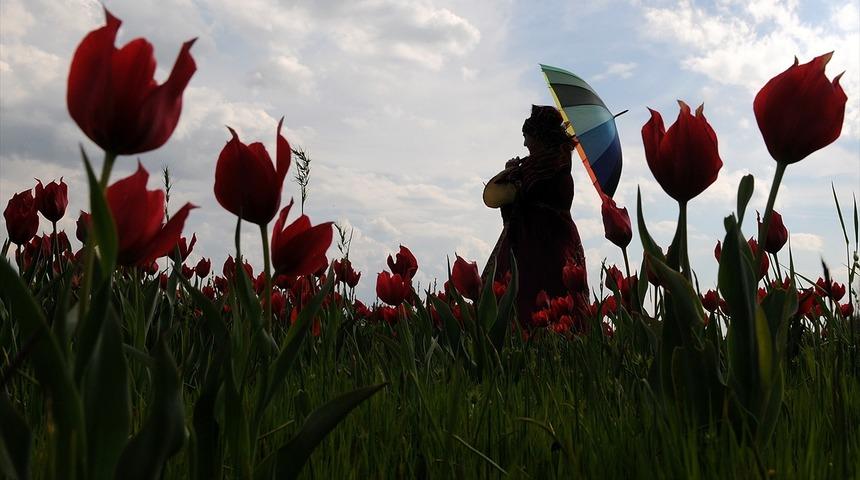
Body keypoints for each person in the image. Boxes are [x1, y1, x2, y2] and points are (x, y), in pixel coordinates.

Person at [483, 105, 589, 326]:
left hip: (546, 245)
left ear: (539, 137)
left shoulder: (552, 165)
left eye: (526, 137)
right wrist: (513, 171)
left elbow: (526, 192)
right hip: (529, 239)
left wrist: (514, 174)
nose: (524, 143)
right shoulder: (536, 164)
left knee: (544, 297)